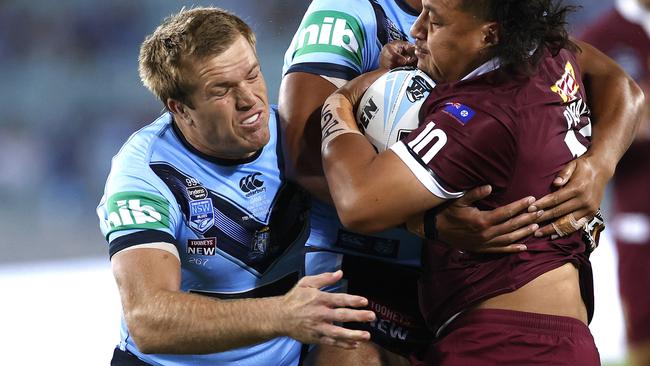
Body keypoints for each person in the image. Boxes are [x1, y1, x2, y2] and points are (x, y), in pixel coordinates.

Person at [280, 0, 642, 364]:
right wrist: (601, 162)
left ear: (489, 34)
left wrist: (342, 103)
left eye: (433, 21)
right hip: (539, 331)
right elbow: (620, 84)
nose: (417, 30)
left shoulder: (481, 114)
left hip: (504, 342)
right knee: (345, 357)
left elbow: (358, 202)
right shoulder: (545, 51)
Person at [96, 7, 376, 366]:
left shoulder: (297, 138)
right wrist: (281, 315)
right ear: (180, 108)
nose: (249, 100)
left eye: (252, 75)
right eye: (222, 90)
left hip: (286, 359)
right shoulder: (145, 173)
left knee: (361, 356)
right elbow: (147, 321)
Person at [580, 1, 650, 365]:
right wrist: (630, 119)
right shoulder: (603, 37)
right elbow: (573, 116)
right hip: (639, 205)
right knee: (643, 324)